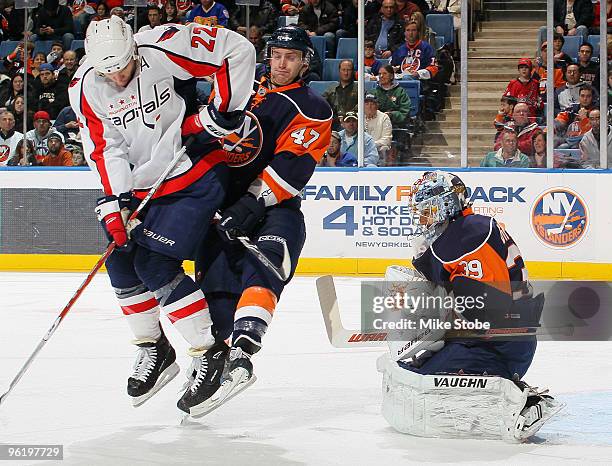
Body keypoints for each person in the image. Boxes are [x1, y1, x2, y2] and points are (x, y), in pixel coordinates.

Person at [68, 16, 255, 408]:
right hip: (142, 187)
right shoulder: (85, 86)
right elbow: (106, 149)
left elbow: (237, 50)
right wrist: (115, 200)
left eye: (123, 67)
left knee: (154, 263)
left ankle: (210, 351)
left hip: (193, 171)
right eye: (109, 72)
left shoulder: (163, 45)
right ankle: (156, 349)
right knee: (119, 260)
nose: (118, 78)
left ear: (133, 50)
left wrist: (226, 111)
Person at [192, 25, 332, 417]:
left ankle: (243, 353)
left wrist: (252, 204)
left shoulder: (312, 107)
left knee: (266, 265)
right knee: (215, 283)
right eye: (276, 55)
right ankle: (216, 359)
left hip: (274, 209)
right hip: (223, 206)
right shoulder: (242, 91)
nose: (281, 63)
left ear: (305, 62)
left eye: (291, 57)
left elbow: (293, 165)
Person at [377, 170, 561, 441]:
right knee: (416, 370)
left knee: (423, 381)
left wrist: (427, 265)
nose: (422, 218)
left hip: (500, 343)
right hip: (498, 337)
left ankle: (521, 401)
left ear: (446, 205)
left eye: (427, 210)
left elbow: (477, 307)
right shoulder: (473, 226)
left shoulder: (462, 237)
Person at [322, 59, 357, 129]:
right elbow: (322, 104)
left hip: (352, 123)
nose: (346, 73)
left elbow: (363, 105)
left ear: (353, 71)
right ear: (339, 71)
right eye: (343, 70)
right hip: (334, 123)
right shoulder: (331, 89)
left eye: (348, 70)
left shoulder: (359, 89)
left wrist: (347, 116)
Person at [364, 93, 392, 160]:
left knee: (384, 148)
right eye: (367, 104)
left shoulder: (384, 117)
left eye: (372, 104)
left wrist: (371, 145)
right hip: (360, 149)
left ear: (377, 106)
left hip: (377, 149)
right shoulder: (357, 117)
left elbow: (387, 139)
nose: (369, 107)